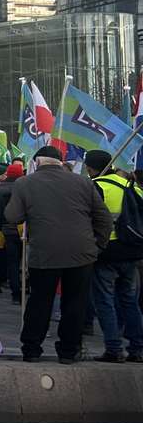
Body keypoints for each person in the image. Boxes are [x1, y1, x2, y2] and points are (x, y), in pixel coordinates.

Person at [6, 146, 112, 363]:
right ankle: (68, 351)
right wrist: (97, 246)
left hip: (44, 253)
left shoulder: (25, 183)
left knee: (39, 301)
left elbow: (12, 216)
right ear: (61, 162)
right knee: (75, 303)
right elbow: (105, 219)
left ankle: (32, 349)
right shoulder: (84, 182)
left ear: (37, 163)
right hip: (82, 253)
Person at [84, 149, 143, 363]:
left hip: (107, 252)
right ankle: (138, 348)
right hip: (132, 251)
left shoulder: (97, 186)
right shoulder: (131, 185)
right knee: (130, 302)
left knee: (105, 301)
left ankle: (113, 348)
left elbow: (89, 219)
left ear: (91, 167)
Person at [0, 161, 24, 301]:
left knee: (12, 261)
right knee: (25, 261)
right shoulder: (24, 188)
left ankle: (15, 292)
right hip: (23, 229)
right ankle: (24, 288)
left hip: (7, 229)